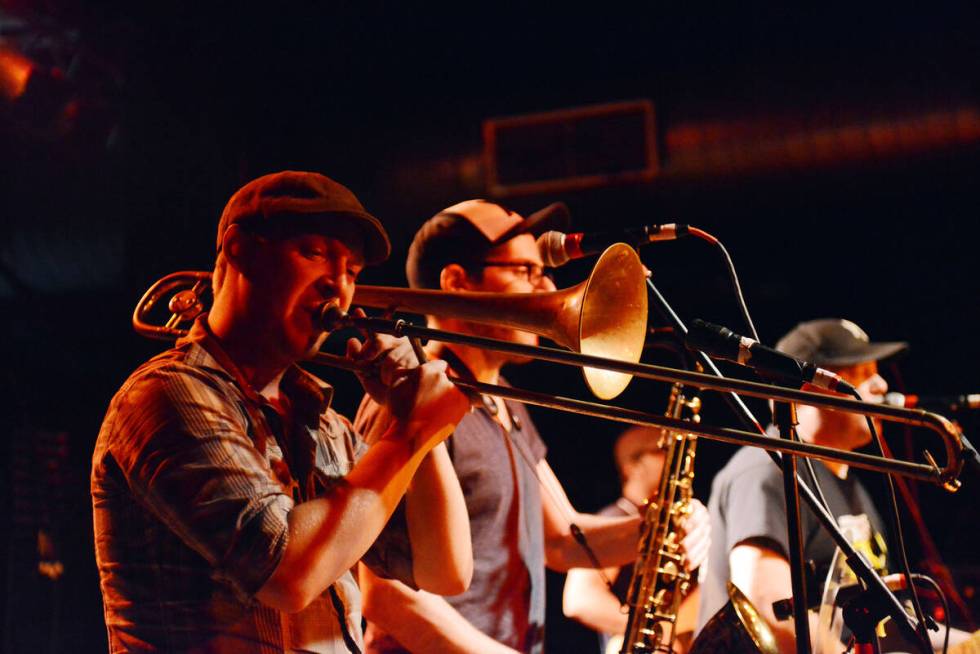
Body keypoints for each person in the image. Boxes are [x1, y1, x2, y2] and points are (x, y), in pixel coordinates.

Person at [91, 171, 473, 653]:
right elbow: (288, 574)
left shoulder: (326, 424)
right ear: (239, 249)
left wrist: (412, 419)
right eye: (314, 253)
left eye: (352, 271)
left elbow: (445, 569)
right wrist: (410, 435)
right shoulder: (167, 395)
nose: (337, 285)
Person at [353, 199, 710, 654]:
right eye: (525, 270)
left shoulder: (506, 400)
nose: (546, 286)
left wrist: (664, 528)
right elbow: (385, 595)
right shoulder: (406, 398)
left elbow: (562, 542)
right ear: (457, 282)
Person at [696, 318, 904, 653]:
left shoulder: (848, 483)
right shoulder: (766, 471)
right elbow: (768, 608)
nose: (881, 384)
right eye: (861, 373)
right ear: (810, 388)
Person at [562, 425, 710, 654]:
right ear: (633, 465)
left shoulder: (668, 525)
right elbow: (580, 599)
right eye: (662, 451)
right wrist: (656, 634)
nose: (674, 461)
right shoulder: (613, 520)